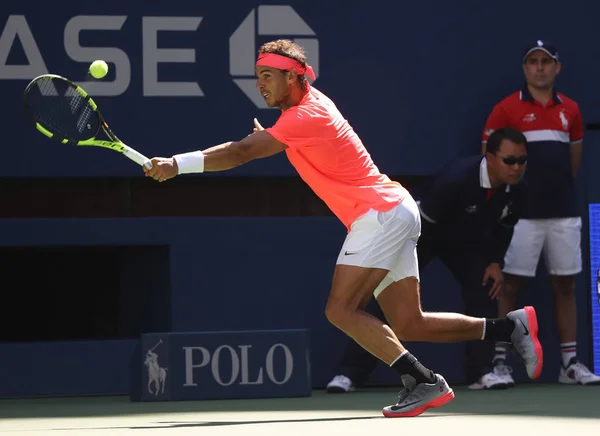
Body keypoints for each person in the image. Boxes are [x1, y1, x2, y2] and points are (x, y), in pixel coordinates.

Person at [144, 39, 543, 417]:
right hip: (394, 210)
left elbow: (240, 153)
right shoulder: (303, 113)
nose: (260, 83)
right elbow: (259, 145)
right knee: (409, 323)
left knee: (340, 309)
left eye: (269, 75)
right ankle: (509, 328)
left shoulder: (305, 115)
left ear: (295, 77)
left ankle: (421, 380)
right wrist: (263, 138)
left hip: (380, 215)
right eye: (258, 75)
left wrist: (177, 163)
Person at [326, 128, 528, 393]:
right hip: (422, 235)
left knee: (485, 288)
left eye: (522, 161)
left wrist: (494, 262)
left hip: (464, 243)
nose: (516, 167)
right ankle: (349, 374)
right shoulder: (456, 178)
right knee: (386, 297)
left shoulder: (519, 190)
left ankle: (481, 372)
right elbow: (425, 224)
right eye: (509, 160)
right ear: (490, 158)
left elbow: (504, 228)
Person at [481, 40, 600, 386]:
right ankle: (501, 363)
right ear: (525, 69)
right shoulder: (505, 109)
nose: (539, 67)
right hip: (520, 216)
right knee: (510, 286)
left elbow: (572, 163)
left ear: (556, 68)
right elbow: (491, 162)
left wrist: (555, 188)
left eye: (546, 62)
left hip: (563, 213)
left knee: (565, 284)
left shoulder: (572, 111)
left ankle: (569, 364)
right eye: (532, 62)